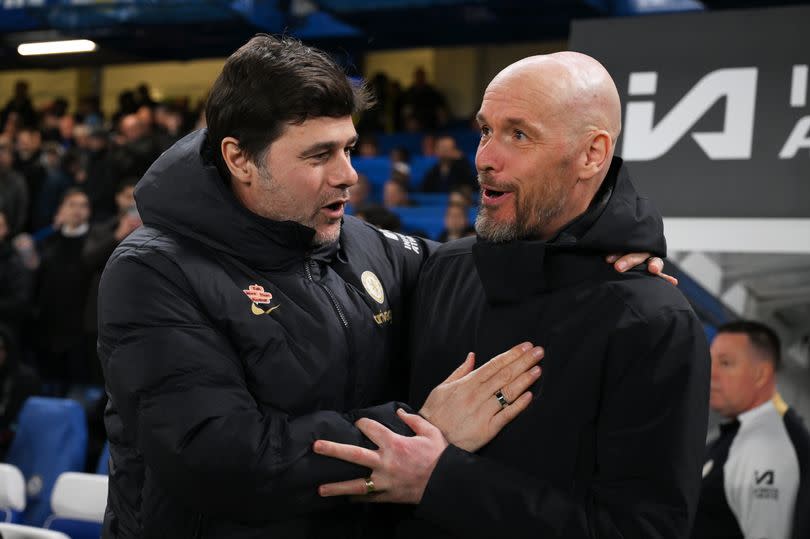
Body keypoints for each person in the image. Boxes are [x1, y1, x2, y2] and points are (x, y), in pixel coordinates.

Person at [97, 35, 552, 538]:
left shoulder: (363, 245)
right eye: (319, 156)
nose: (348, 175)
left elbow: (471, 267)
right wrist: (418, 429)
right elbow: (220, 458)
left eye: (349, 148)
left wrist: (608, 246)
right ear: (240, 159)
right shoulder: (154, 271)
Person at [313, 52, 710, 539]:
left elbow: (646, 530)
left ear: (592, 154)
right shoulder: (444, 271)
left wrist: (444, 479)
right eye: (484, 130)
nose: (484, 158)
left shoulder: (653, 321)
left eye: (518, 135)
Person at [691, 320, 810, 539]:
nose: (712, 373)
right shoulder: (734, 436)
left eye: (725, 363)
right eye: (711, 362)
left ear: (760, 375)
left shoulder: (771, 444)